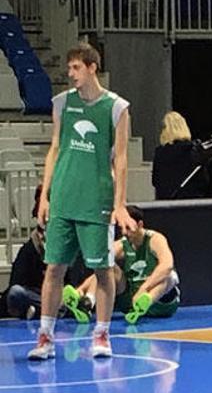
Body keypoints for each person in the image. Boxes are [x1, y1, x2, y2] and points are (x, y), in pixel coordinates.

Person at [28, 42, 138, 361]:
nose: (71, 74)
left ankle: (101, 334)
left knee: (102, 270)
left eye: (76, 68)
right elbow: (54, 150)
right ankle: (45, 337)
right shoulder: (62, 103)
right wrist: (45, 195)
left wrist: (119, 204)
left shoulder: (117, 108)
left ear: (92, 68)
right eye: (69, 68)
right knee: (54, 269)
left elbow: (120, 159)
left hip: (97, 200)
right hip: (64, 197)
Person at [62, 205, 179, 325]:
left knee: (170, 276)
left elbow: (167, 265)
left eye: (128, 228)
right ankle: (86, 303)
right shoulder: (123, 244)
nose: (124, 232)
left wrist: (144, 289)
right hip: (131, 302)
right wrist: (81, 290)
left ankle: (146, 301)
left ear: (140, 225)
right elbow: (101, 263)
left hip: (160, 302)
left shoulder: (155, 239)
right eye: (122, 228)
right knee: (106, 266)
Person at [0, 185, 89, 320]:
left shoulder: (73, 245)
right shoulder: (30, 249)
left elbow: (77, 282)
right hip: (38, 296)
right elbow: (16, 286)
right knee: (16, 293)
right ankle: (60, 311)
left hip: (66, 295)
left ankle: (42, 311)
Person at [152, 111, 208, 199]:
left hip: (166, 204)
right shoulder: (194, 150)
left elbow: (155, 181)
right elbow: (203, 180)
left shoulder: (160, 152)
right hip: (192, 202)